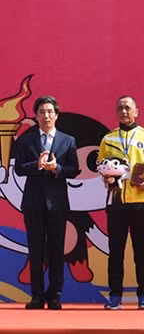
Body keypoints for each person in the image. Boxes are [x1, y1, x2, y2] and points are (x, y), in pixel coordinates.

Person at [12, 96, 79, 310]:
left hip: (57, 204)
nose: (46, 116)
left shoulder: (67, 140)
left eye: (50, 111)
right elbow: (19, 169)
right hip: (33, 203)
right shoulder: (26, 140)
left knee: (57, 250)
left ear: (56, 115)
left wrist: (56, 168)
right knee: (36, 250)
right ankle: (37, 296)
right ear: (36, 116)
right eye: (42, 112)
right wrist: (38, 165)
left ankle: (55, 296)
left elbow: (74, 170)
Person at [98, 95, 144, 310]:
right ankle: (115, 295)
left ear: (136, 111)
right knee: (115, 251)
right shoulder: (108, 139)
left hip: (141, 202)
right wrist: (106, 178)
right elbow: (101, 166)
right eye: (120, 108)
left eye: (128, 108)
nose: (124, 111)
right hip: (116, 201)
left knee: (141, 251)